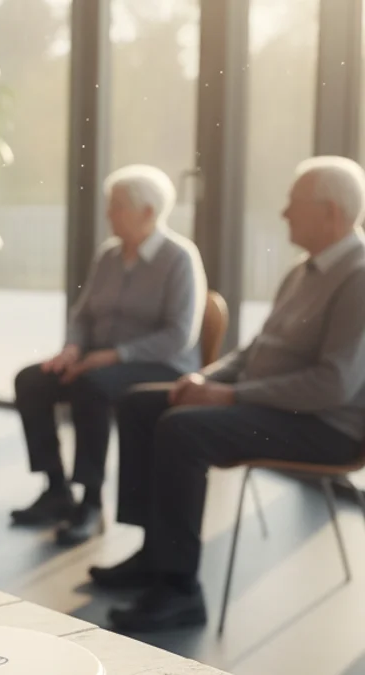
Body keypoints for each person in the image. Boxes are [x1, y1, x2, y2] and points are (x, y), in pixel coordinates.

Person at [94, 156, 365, 632]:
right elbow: (255, 350)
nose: (283, 214)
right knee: (142, 403)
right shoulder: (303, 271)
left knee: (183, 430)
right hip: (267, 404)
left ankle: (179, 589)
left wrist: (231, 398)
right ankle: (155, 552)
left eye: (294, 204)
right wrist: (207, 381)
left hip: (324, 425)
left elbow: (333, 384)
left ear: (330, 213)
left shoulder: (360, 278)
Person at [10, 165, 207, 545]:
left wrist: (114, 355)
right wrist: (72, 348)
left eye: (117, 206)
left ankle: (91, 500)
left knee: (91, 387)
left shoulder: (179, 258)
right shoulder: (109, 256)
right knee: (31, 380)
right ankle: (56, 490)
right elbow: (83, 314)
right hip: (95, 362)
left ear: (148, 212)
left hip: (158, 364)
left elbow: (179, 336)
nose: (108, 214)